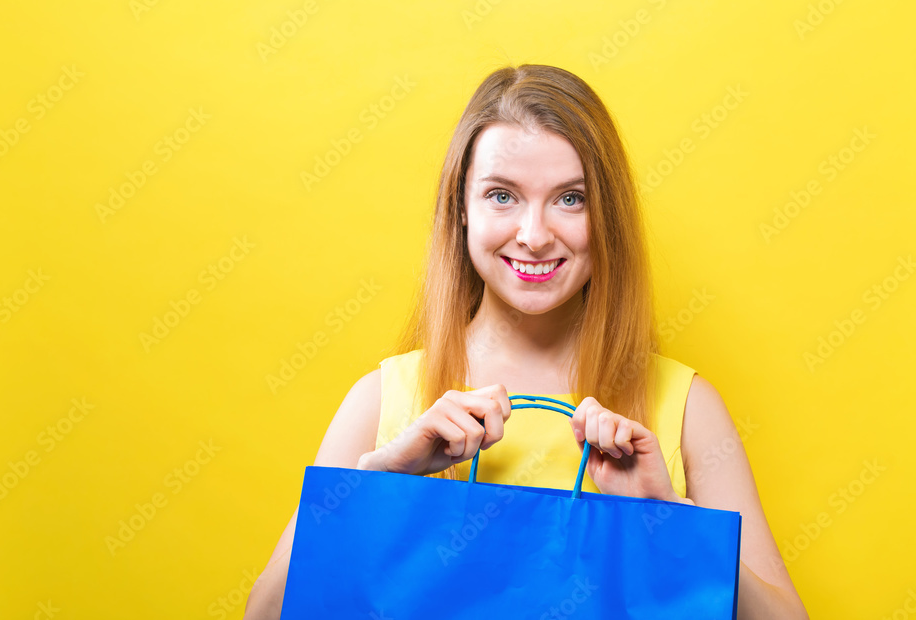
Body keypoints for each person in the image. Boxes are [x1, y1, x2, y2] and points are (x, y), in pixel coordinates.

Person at [244, 64, 808, 619]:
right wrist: (370, 491)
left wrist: (670, 521)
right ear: (460, 210)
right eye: (501, 195)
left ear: (606, 217)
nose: (535, 236)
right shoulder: (381, 400)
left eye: (571, 199)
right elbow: (264, 614)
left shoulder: (687, 407)